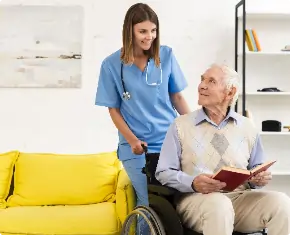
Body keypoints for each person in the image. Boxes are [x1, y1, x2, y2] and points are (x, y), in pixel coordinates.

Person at [155, 63, 290, 235]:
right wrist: (193, 183)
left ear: (230, 92)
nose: (202, 85)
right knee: (219, 205)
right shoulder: (180, 126)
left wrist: (259, 178)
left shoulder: (248, 127)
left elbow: (256, 168)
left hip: (239, 199)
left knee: (282, 203)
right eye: (203, 79)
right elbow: (163, 172)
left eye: (211, 81)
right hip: (196, 201)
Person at [95, 2, 191, 233]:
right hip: (137, 148)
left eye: (153, 30)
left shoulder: (165, 56)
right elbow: (113, 110)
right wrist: (132, 140)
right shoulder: (111, 65)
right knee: (149, 204)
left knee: (174, 204)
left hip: (170, 143)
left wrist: (196, 129)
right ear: (130, 31)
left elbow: (177, 97)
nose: (149, 37)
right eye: (143, 31)